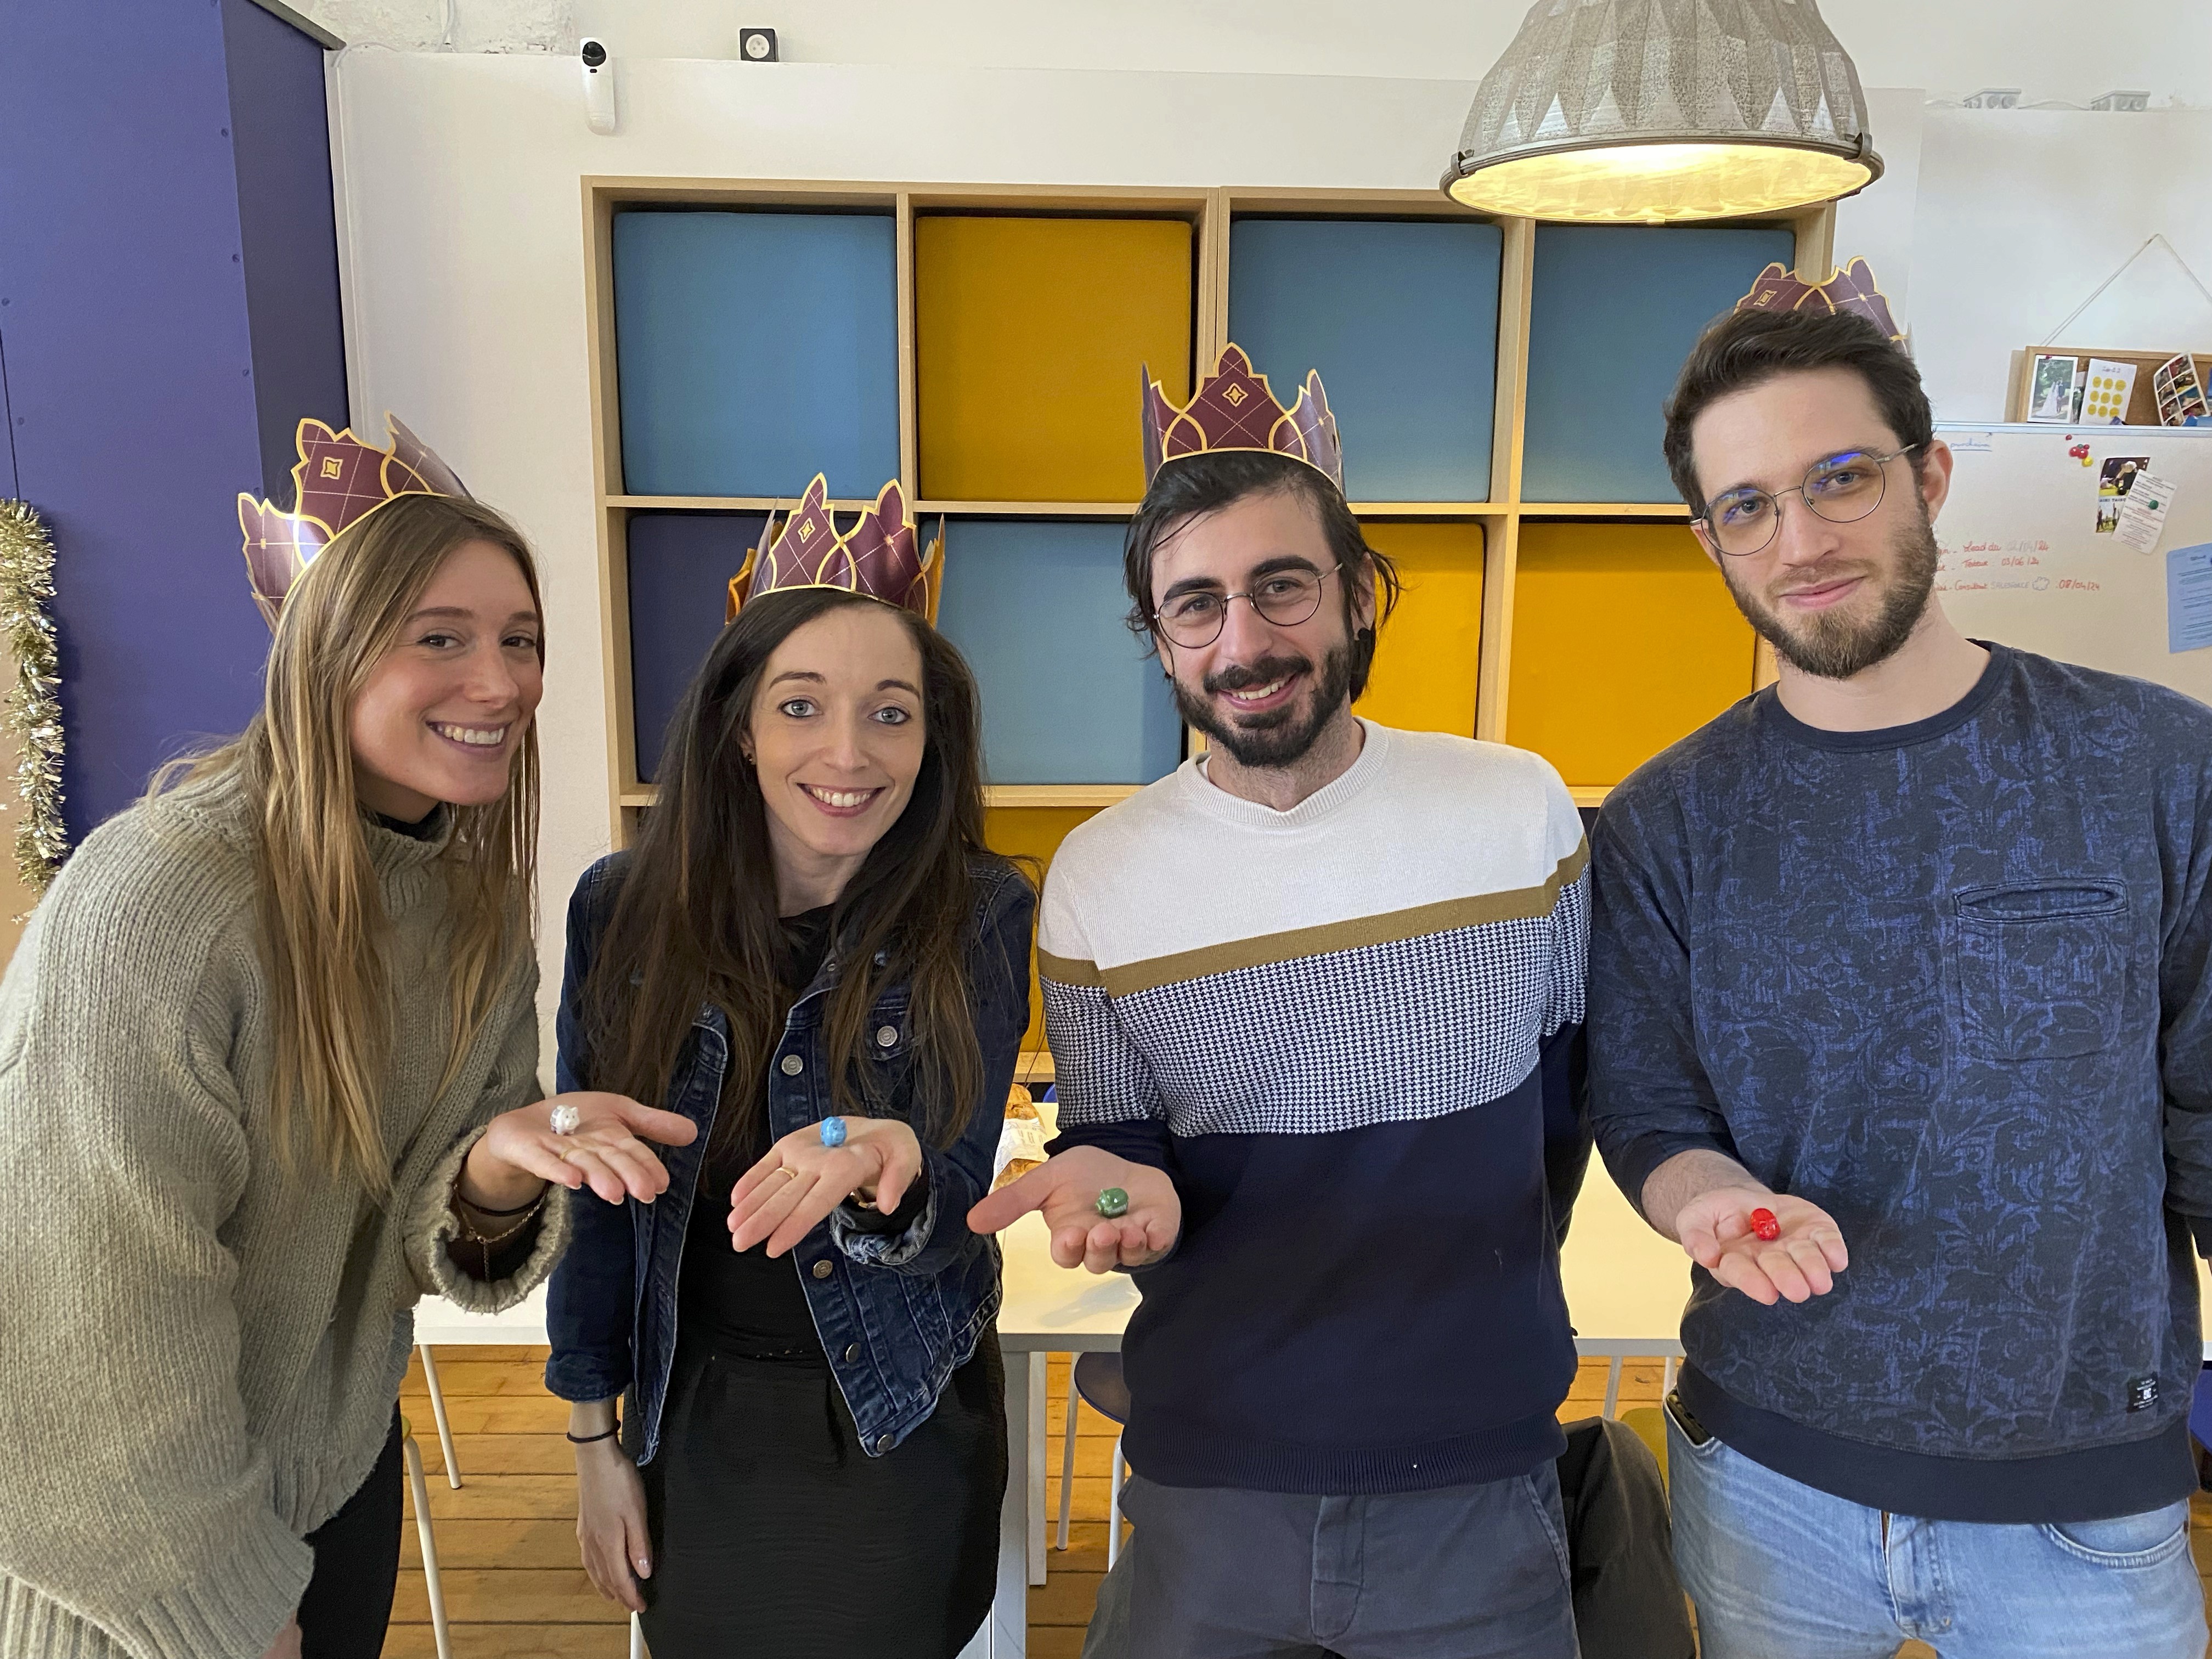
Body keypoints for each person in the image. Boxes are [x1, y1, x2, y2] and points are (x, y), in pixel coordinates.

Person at [0, 417, 693, 1659]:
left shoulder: (468, 903)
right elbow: (78, 1325)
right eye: (442, 639)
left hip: (337, 1486)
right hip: (133, 1568)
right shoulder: (158, 904)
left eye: (520, 641)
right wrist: (224, 1605)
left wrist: (492, 1171)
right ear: (326, 653)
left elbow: (421, 1239)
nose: (502, 683)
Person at [1588, 302, 2212, 1658]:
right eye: (1746, 506)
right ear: (1711, 542)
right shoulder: (1662, 824)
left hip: (2083, 1503)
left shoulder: (2156, 768)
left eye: (1841, 479)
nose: (1800, 543)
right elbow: (1646, 1113)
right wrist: (1715, 1201)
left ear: (1927, 475)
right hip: (1766, 1487)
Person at [970, 347, 1593, 1659]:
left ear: (1360, 593)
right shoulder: (1101, 873)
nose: (1243, 643)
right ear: (1159, 637)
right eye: (1194, 607)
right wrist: (1114, 1192)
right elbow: (1124, 1144)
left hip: (1473, 1482)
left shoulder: (1516, 810)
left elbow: (1569, 1115)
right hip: (1210, 1481)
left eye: (1282, 587)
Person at [545, 477, 1034, 1659]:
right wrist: (592, 1445)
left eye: (891, 713)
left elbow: (958, 1188)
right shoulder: (623, 910)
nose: (848, 753)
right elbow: (597, 1202)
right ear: (739, 728)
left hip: (898, 1418)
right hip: (695, 1420)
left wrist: (900, 1166)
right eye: (802, 705)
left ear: (933, 738)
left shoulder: (979, 909)